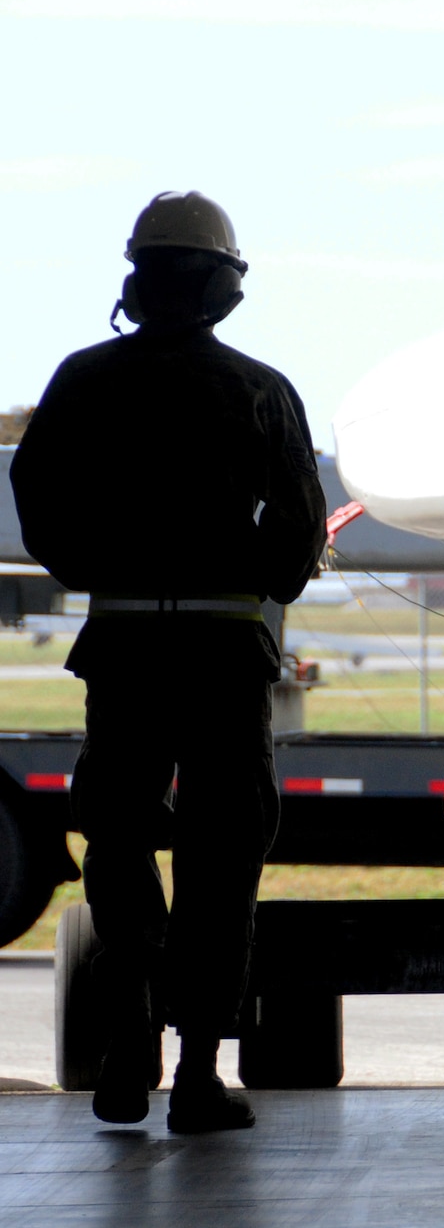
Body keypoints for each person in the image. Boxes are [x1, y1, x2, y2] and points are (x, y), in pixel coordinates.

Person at [10, 192, 326, 1132]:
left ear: (137, 282)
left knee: (117, 841)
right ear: (224, 290)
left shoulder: (82, 380)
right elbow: (301, 531)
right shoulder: (262, 390)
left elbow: (39, 497)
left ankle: (123, 1051)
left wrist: (98, 568)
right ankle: (195, 1074)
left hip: (126, 650)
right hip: (226, 654)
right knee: (222, 857)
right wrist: (256, 579)